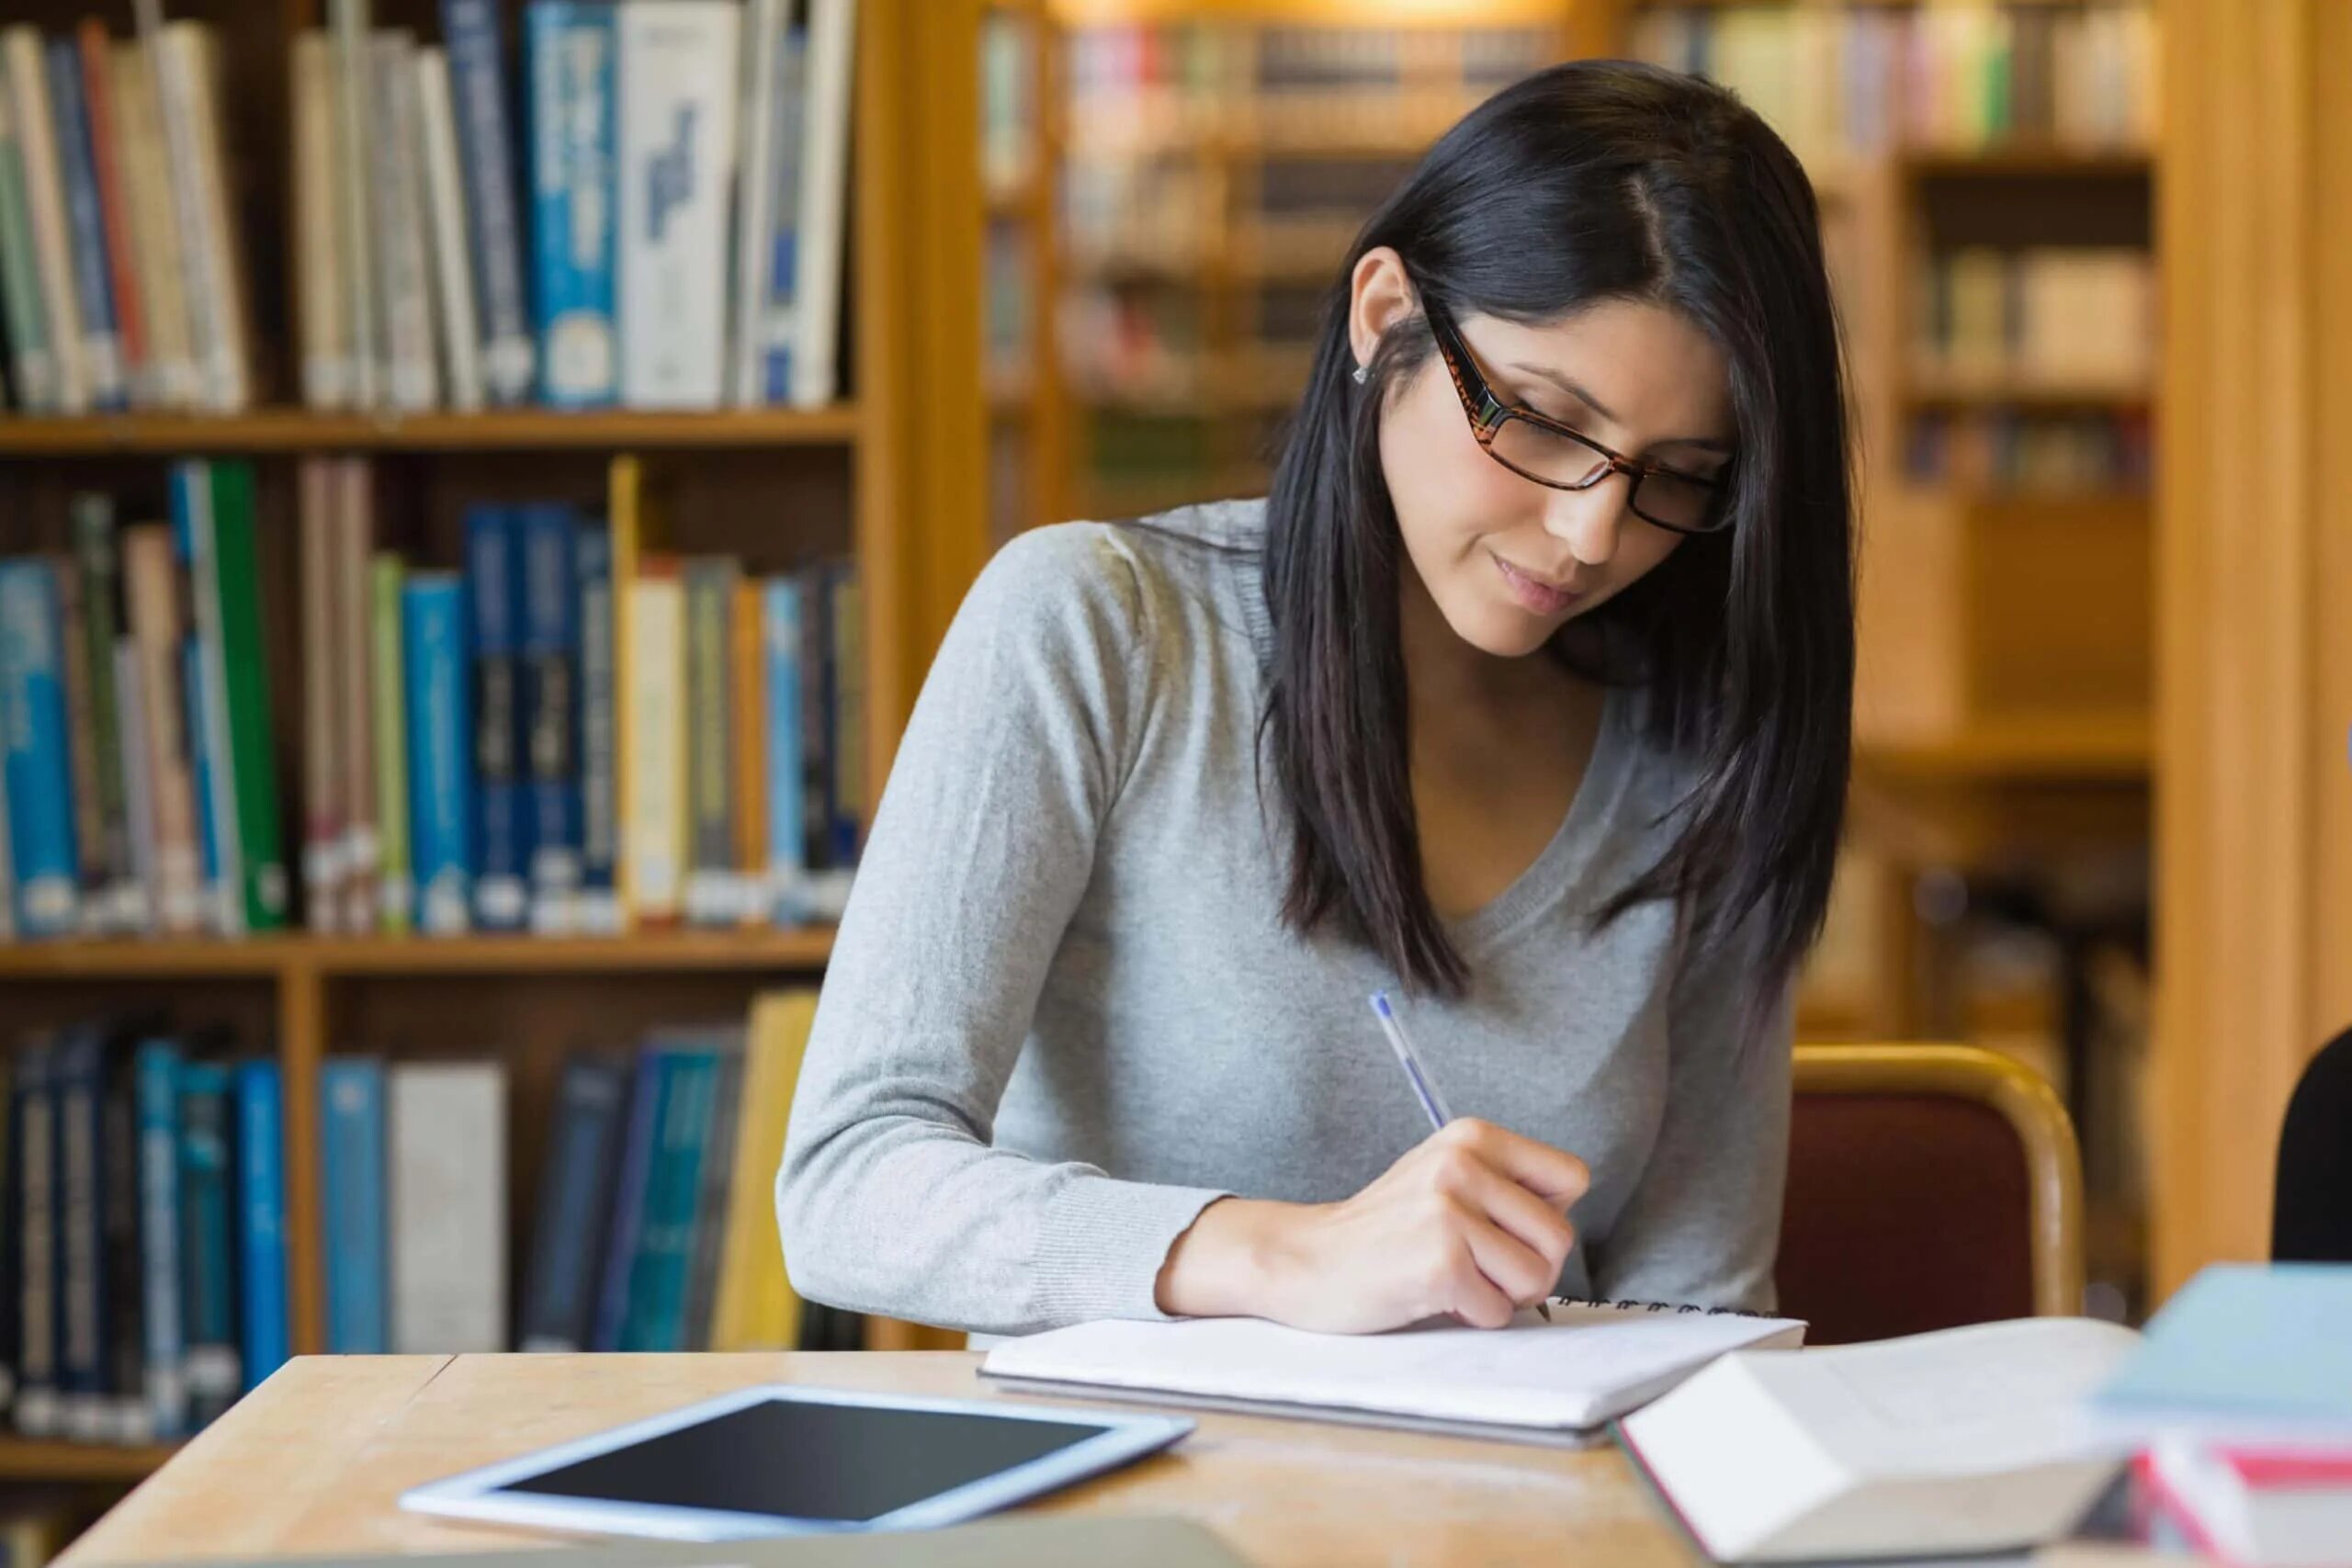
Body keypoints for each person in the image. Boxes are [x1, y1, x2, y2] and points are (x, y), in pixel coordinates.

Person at [777, 60, 1854, 1338]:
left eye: (1680, 475)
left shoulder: (1702, 747)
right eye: (1544, 422)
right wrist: (1284, 1259)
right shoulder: (1097, 629)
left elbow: (1694, 1308)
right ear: (1383, 311)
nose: (1588, 532)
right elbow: (848, 1184)